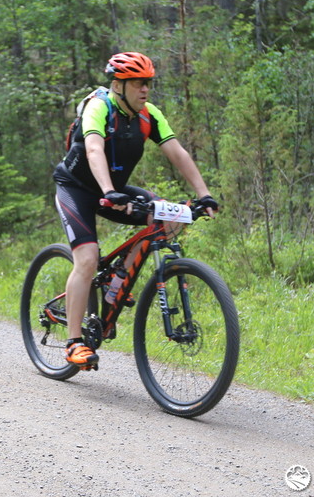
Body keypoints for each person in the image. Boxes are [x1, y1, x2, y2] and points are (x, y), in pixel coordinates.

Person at [53, 52, 219, 367]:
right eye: (138, 84)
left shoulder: (149, 115)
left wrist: (204, 194)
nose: (145, 90)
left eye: (148, 84)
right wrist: (108, 191)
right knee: (87, 259)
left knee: (168, 219)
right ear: (119, 85)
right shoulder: (98, 106)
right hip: (76, 188)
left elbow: (178, 153)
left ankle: (117, 284)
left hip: (114, 189)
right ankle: (74, 342)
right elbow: (93, 148)